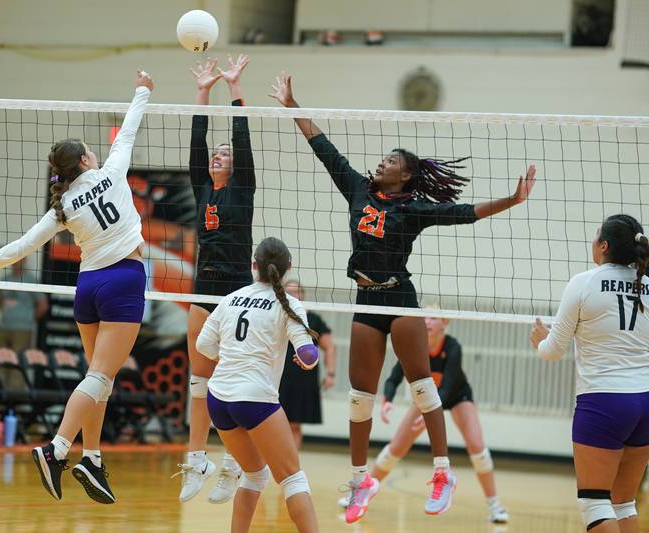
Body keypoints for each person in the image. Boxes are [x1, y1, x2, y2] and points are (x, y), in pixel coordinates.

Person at [269, 72, 537, 522]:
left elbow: (463, 213)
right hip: (364, 299)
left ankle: (441, 472)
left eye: (391, 159)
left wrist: (512, 199)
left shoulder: (411, 208)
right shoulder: (357, 189)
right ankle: (359, 482)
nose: (382, 161)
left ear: (405, 174)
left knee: (421, 385)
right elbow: (323, 148)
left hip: (400, 298)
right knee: (360, 398)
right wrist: (292, 104)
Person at [0, 70, 153, 505]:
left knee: (100, 379)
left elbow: (19, 248)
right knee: (99, 375)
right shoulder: (112, 172)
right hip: (123, 281)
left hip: (88, 288)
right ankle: (56, 449)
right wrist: (143, 90)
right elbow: (128, 130)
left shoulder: (64, 206)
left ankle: (91, 458)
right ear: (88, 161)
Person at [530, 214, 649, 533]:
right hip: (646, 402)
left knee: (595, 501)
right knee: (624, 502)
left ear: (604, 246)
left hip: (604, 402)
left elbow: (554, 351)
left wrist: (540, 342)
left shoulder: (584, 282)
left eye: (596, 237)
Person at [196, 237, 320, 532]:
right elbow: (308, 353)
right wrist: (308, 361)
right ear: (288, 268)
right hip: (254, 398)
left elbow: (203, 345)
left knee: (255, 475)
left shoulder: (230, 298)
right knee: (293, 479)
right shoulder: (289, 304)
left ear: (254, 266)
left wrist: (229, 357)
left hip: (218, 399)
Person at [338, 309, 508, 523]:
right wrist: (388, 400)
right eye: (425, 317)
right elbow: (394, 376)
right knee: (396, 447)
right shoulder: (417, 345)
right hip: (427, 399)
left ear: (444, 323)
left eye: (434, 318)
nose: (428, 321)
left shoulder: (452, 346)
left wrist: (430, 414)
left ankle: (495, 506)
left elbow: (447, 385)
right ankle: (362, 493)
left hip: (457, 396)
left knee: (477, 449)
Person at [178, 54, 257, 505]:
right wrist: (202, 91)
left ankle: (234, 463)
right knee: (198, 381)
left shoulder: (242, 187)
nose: (218, 155)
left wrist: (234, 87)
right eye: (216, 154)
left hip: (236, 292)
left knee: (235, 379)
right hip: (202, 288)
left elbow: (241, 137)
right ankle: (197, 459)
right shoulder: (202, 188)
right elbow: (196, 139)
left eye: (224, 154)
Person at [278, 280, 337, 450]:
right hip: (277, 376)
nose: (292, 295)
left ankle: (292, 462)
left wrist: (331, 374)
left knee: (295, 424)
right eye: (288, 292)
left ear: (302, 295)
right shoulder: (276, 316)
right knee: (272, 421)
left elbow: (330, 347)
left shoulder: (313, 319)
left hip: (303, 379)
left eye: (295, 292)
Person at [0, 258, 48, 353]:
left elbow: (43, 305)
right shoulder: (5, 279)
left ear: (24, 261)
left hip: (22, 328)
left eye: (20, 259)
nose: (17, 261)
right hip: (4, 326)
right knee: (0, 357)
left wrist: (28, 318)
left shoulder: (31, 280)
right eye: (15, 258)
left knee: (18, 361)